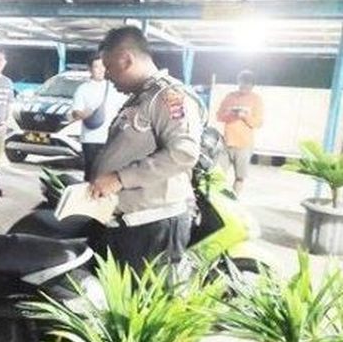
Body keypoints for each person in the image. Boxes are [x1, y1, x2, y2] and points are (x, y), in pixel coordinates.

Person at [88, 26, 204, 273]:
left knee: (141, 294)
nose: (106, 75)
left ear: (126, 59)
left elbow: (183, 152)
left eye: (109, 67)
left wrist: (120, 178)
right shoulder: (142, 97)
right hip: (130, 225)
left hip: (153, 227)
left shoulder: (168, 96)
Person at [70, 52, 127, 180]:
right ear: (90, 69)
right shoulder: (83, 89)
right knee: (91, 175)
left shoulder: (115, 87)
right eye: (96, 67)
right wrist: (84, 114)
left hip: (112, 139)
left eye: (103, 66)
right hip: (91, 139)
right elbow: (75, 113)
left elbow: (126, 108)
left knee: (108, 175)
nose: (101, 70)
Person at [216, 70, 264, 194]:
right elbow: (219, 116)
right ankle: (217, 199)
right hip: (226, 143)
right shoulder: (230, 97)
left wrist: (244, 116)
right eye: (242, 83)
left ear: (252, 85)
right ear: (238, 82)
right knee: (218, 175)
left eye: (247, 84)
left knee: (240, 177)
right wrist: (230, 114)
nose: (244, 87)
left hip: (244, 145)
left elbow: (258, 123)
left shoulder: (256, 99)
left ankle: (234, 199)